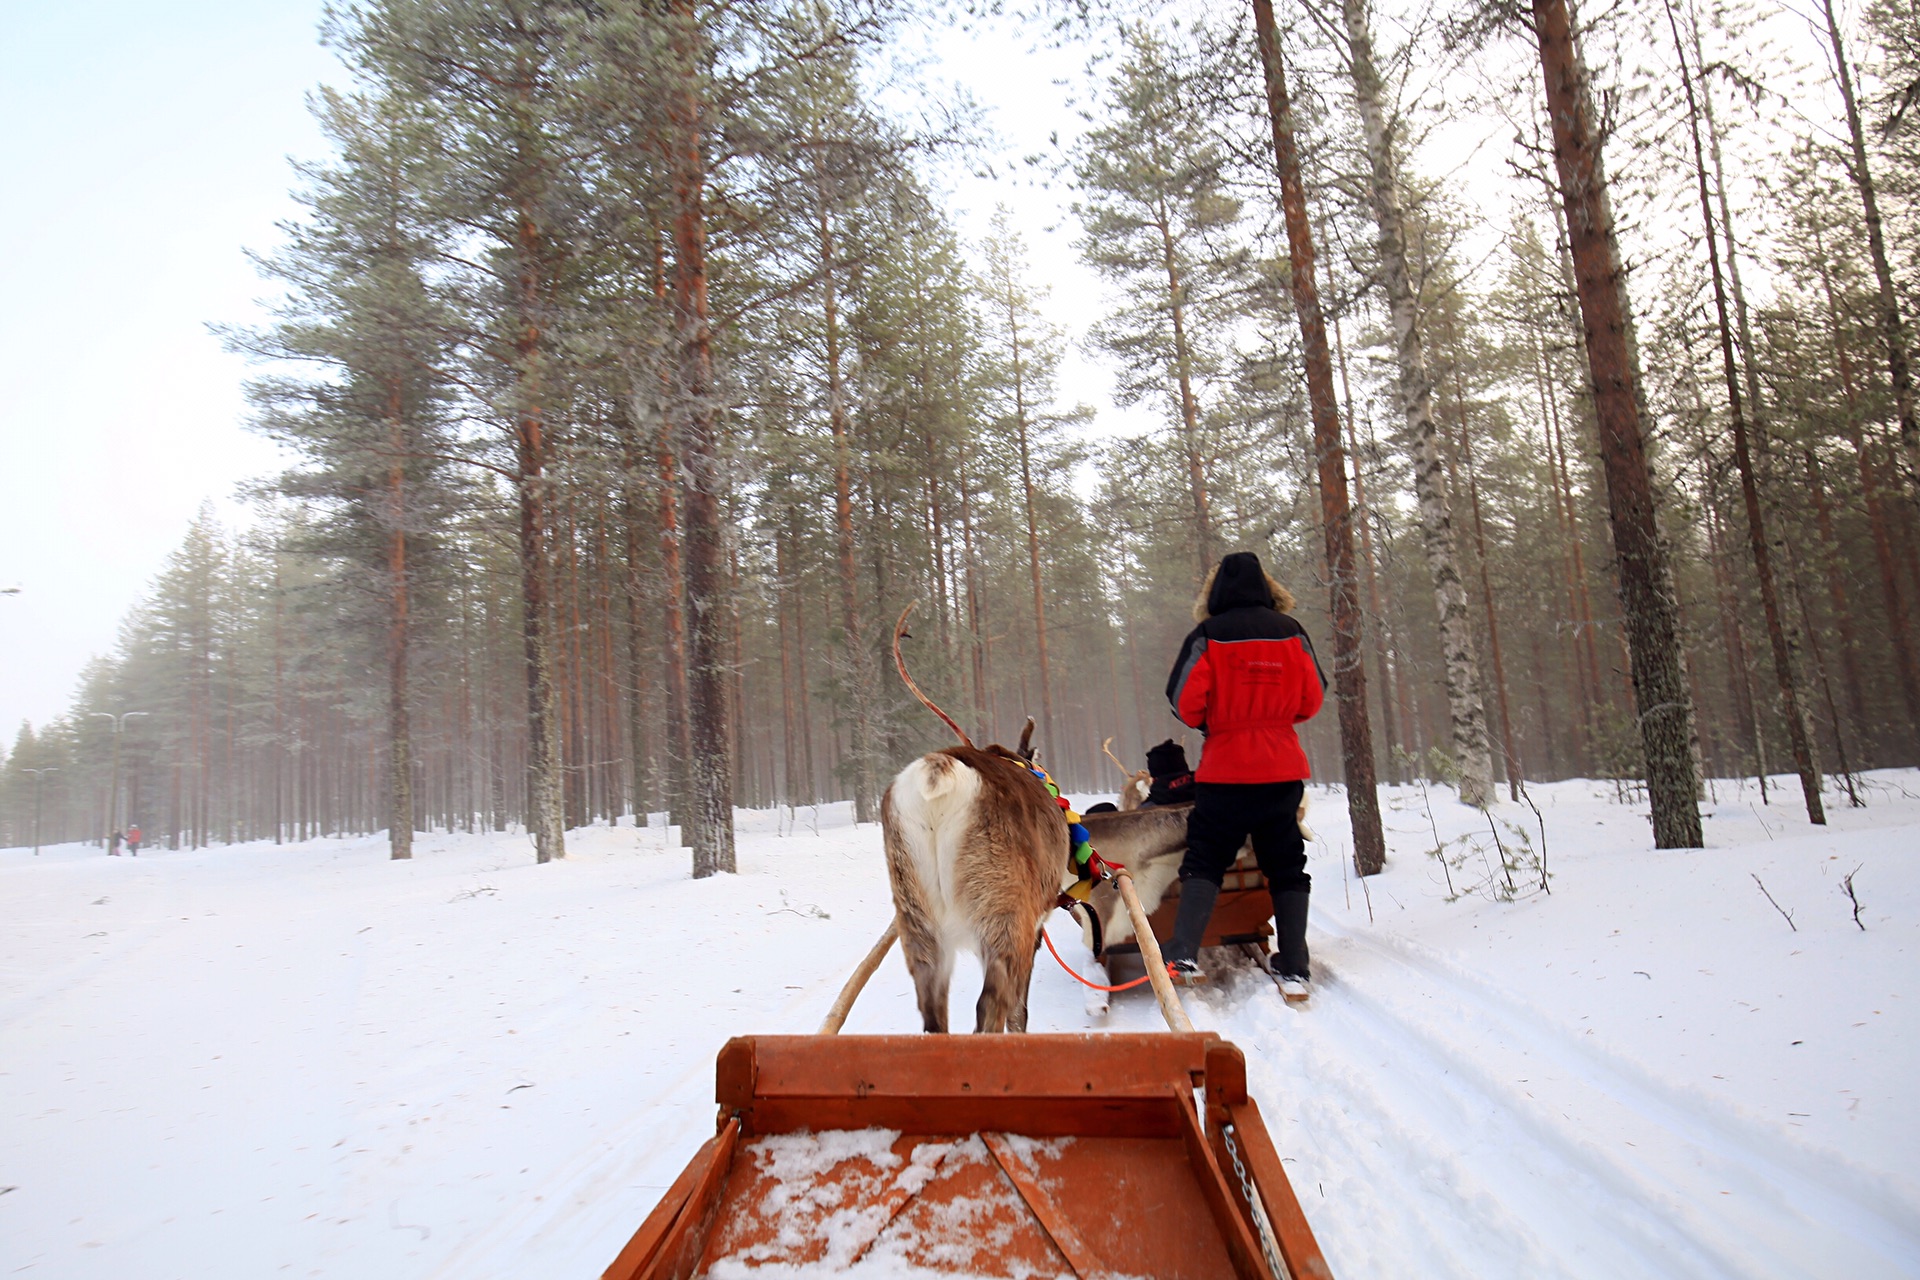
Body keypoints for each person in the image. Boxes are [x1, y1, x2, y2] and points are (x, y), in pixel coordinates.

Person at [1163, 551, 1326, 998]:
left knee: (1206, 859)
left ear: (1215, 593)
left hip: (1226, 770)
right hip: (1281, 769)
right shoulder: (1292, 633)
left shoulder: (1208, 635)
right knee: (1287, 864)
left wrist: (1216, 721)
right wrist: (1273, 717)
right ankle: (1294, 962)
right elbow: (1313, 700)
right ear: (1267, 588)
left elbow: (1182, 701)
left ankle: (1183, 952)